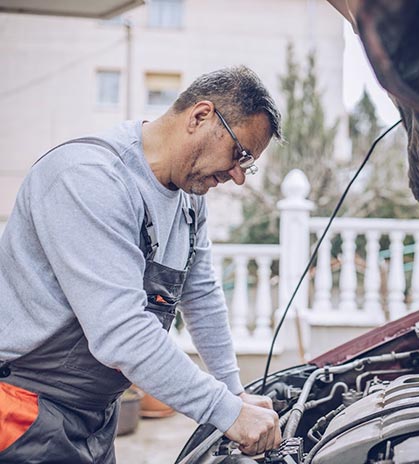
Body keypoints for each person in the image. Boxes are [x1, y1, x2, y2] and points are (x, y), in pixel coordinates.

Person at [0, 66, 283, 463]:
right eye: (239, 154)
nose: (238, 176)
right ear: (200, 116)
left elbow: (200, 294)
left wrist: (233, 391)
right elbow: (121, 331)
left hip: (94, 411)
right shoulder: (89, 179)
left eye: (247, 163)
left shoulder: (189, 200)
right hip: (23, 410)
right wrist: (227, 411)